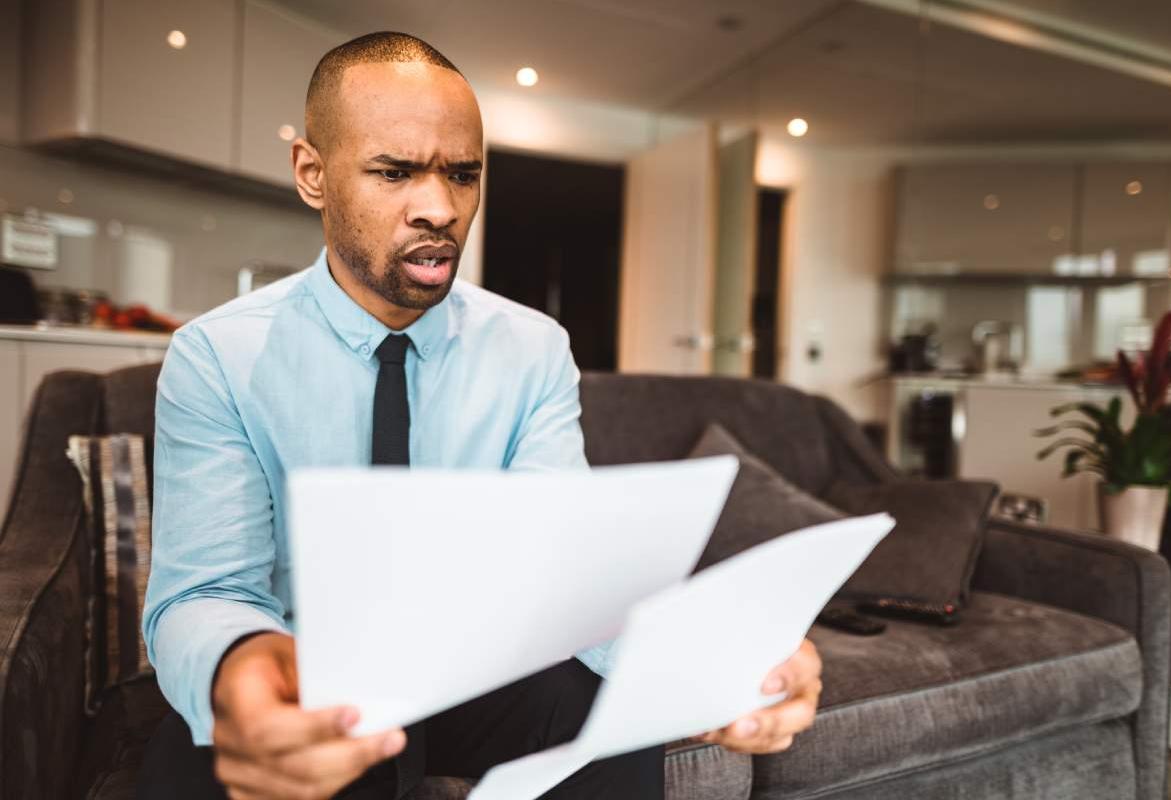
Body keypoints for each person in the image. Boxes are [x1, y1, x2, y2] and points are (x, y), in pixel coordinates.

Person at [136, 31, 823, 800]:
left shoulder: (533, 349)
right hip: (302, 666)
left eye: (463, 175)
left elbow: (567, 572)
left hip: (476, 673)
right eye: (394, 172)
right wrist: (241, 669)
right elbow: (204, 594)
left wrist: (710, 660)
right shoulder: (217, 355)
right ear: (312, 174)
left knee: (608, 721)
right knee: (199, 765)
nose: (440, 209)